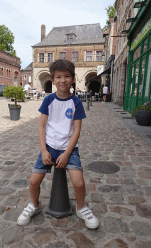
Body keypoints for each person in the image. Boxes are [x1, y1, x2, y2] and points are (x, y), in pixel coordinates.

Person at [17, 59, 99, 229]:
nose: (63, 80)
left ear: (73, 78)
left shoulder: (76, 102)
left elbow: (76, 130)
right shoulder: (49, 101)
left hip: (69, 149)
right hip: (49, 148)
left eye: (67, 76)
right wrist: (44, 150)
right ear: (53, 80)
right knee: (33, 181)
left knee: (79, 183)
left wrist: (67, 153)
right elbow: (41, 126)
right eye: (59, 77)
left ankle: (81, 208)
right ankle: (34, 204)